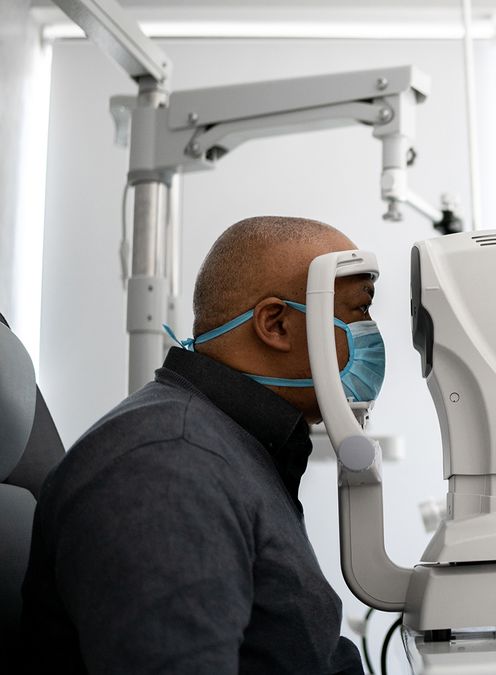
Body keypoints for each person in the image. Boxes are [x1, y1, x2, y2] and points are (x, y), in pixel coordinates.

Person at [20, 216, 381, 674]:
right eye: (360, 312)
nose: (372, 335)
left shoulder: (236, 452)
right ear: (277, 324)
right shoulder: (164, 467)